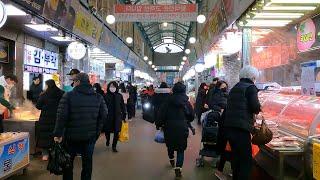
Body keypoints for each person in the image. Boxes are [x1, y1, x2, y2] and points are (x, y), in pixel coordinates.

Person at [53, 73, 107, 180]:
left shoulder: (68, 96)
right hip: (90, 137)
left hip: (71, 137)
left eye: (74, 81)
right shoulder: (98, 97)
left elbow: (61, 117)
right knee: (87, 164)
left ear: (78, 82)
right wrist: (97, 131)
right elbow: (104, 115)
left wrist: (57, 134)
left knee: (68, 163)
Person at [223, 66, 261, 180]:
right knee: (246, 161)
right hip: (241, 129)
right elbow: (255, 107)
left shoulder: (235, 87)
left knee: (236, 159)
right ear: (253, 77)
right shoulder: (251, 87)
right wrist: (260, 107)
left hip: (230, 127)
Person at [156, 82, 194, 178]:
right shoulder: (186, 102)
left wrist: (158, 124)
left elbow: (161, 115)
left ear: (173, 90)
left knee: (170, 145)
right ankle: (178, 168)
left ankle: (171, 158)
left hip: (169, 127)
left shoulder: (167, 101)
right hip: (182, 127)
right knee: (181, 149)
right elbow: (192, 116)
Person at [36, 80, 64, 161]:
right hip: (57, 118)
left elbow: (38, 106)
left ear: (47, 86)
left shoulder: (44, 95)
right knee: (55, 135)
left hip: (45, 119)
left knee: (44, 136)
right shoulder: (62, 93)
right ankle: (55, 153)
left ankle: (45, 155)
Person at [104, 81, 126, 153]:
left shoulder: (119, 96)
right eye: (111, 86)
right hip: (108, 116)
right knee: (107, 130)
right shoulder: (105, 95)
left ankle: (114, 146)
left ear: (116, 87)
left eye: (114, 86)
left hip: (117, 116)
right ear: (108, 87)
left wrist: (124, 115)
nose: (112, 88)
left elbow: (122, 106)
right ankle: (107, 139)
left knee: (117, 131)